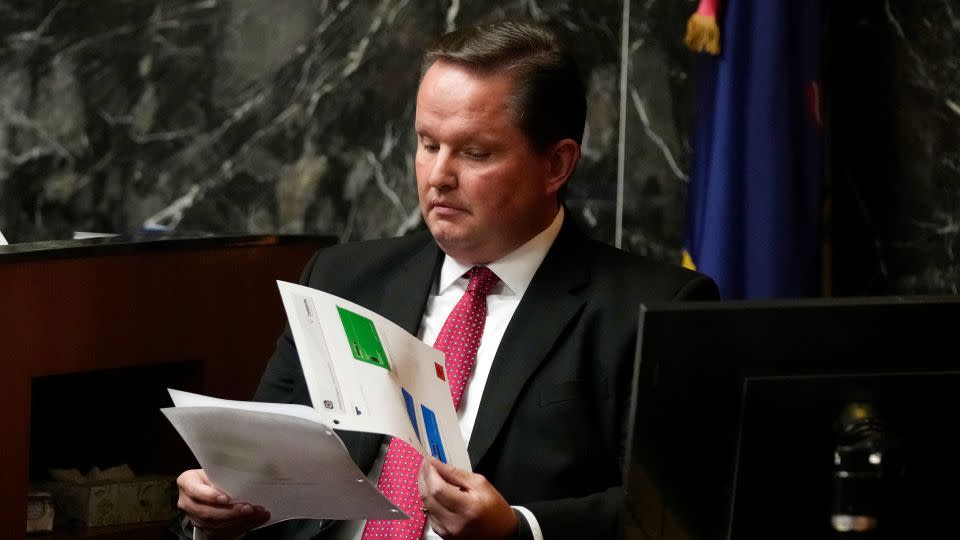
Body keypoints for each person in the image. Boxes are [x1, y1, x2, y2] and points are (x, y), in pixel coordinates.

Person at [175, 20, 719, 540]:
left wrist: (518, 529)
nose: (438, 176)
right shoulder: (342, 278)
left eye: (475, 152)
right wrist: (219, 507)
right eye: (428, 144)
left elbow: (677, 516)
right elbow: (257, 467)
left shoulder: (651, 308)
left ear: (557, 165)